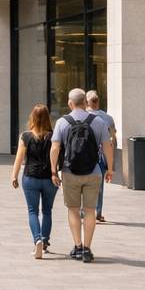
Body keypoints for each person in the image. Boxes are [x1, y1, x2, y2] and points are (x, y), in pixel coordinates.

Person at [50, 88, 113, 263]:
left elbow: (55, 148)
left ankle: (77, 246)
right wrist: (110, 169)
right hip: (93, 172)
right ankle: (87, 249)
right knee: (90, 211)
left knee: (73, 210)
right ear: (86, 102)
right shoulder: (98, 121)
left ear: (70, 103)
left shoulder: (62, 122)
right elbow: (107, 146)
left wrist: (53, 170)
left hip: (70, 172)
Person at [11, 104, 57, 259]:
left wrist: (14, 176)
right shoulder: (53, 136)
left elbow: (19, 157)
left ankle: (37, 239)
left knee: (32, 211)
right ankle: (44, 243)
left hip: (30, 178)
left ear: (33, 117)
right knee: (47, 211)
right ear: (47, 118)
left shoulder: (25, 136)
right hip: (49, 179)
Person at [85, 90, 117, 223]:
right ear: (98, 101)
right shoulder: (107, 118)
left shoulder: (81, 116)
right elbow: (113, 140)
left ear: (87, 101)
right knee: (99, 186)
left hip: (84, 155)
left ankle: (83, 211)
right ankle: (98, 212)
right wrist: (111, 165)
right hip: (101, 156)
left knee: (83, 183)